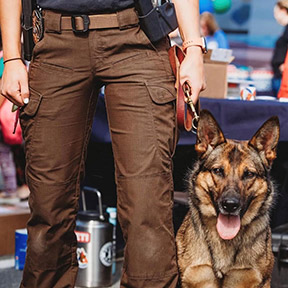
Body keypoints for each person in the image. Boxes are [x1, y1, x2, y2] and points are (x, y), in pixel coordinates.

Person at [0, 0, 205, 287]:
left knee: (147, 205)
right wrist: (11, 58)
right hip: (54, 38)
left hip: (137, 35)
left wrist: (193, 47)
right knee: (49, 208)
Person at [271, 0, 288, 97]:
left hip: (283, 77)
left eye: (276, 13)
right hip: (279, 75)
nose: (275, 16)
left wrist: (285, 66)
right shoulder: (285, 30)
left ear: (283, 11)